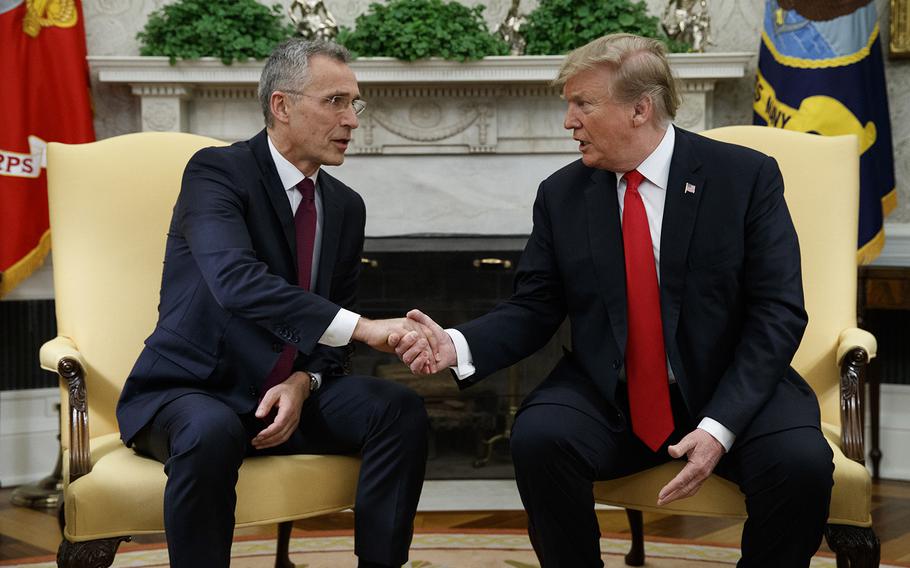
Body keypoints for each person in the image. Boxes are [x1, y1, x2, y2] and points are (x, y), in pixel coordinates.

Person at [393, 33, 834, 567]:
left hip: (732, 386)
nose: (567, 121)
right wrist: (456, 345)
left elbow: (777, 313)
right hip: (613, 394)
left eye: (583, 104)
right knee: (538, 438)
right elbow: (534, 307)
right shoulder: (562, 194)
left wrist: (719, 428)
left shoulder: (743, 177)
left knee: (801, 465)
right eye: (568, 104)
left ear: (639, 109)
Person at [116, 39, 434, 568]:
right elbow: (236, 281)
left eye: (355, 104)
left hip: (283, 398)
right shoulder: (216, 173)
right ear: (281, 106)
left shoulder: (345, 206)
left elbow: (330, 341)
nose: (352, 120)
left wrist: (303, 384)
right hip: (195, 388)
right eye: (334, 101)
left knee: (397, 410)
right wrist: (367, 329)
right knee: (210, 431)